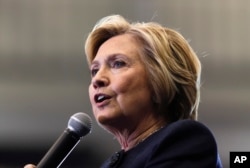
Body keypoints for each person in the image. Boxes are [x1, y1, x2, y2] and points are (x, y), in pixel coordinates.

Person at [24, 14, 222, 168]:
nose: (97, 79)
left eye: (118, 64)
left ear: (159, 79)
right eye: (94, 70)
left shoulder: (185, 141)